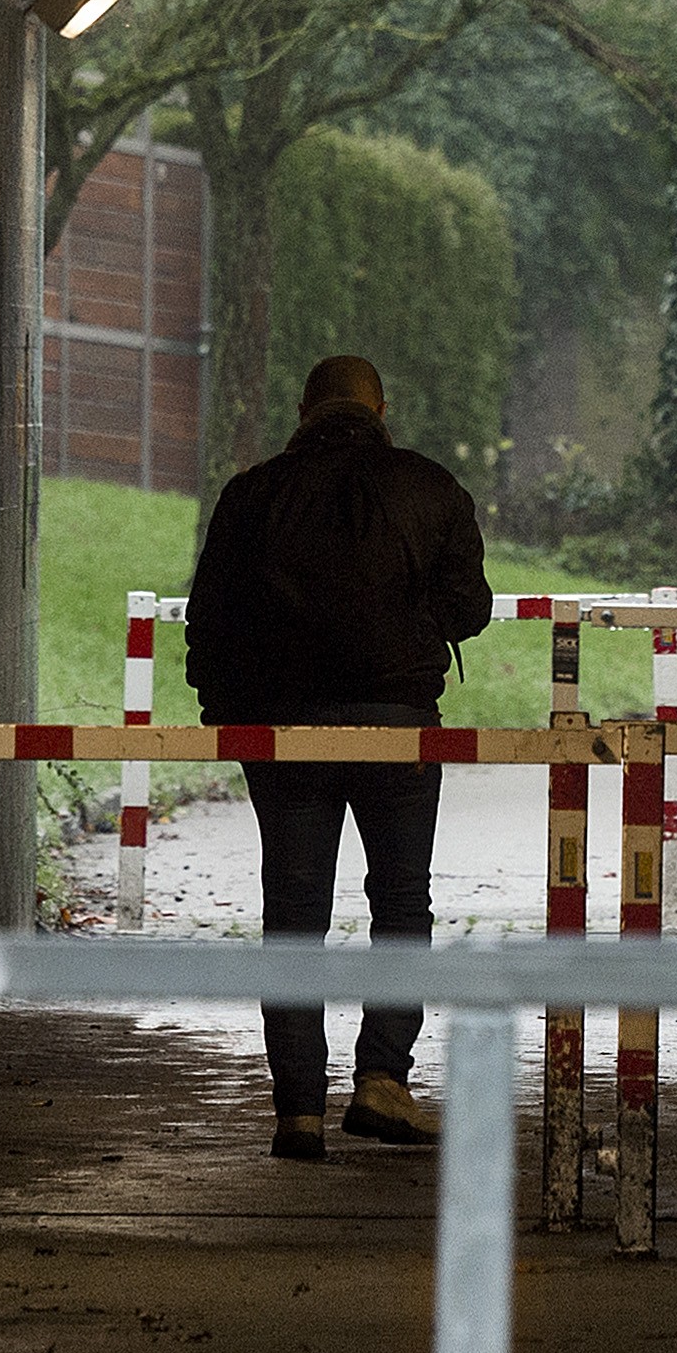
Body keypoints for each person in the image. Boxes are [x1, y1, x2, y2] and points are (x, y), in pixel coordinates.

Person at [186, 352, 493, 1161]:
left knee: (292, 918)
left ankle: (297, 1111)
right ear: (380, 406)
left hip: (283, 733)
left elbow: (207, 622)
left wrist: (230, 717)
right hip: (397, 723)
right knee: (399, 902)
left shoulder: (250, 496)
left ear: (301, 409)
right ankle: (382, 1082)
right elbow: (472, 609)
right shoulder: (430, 487)